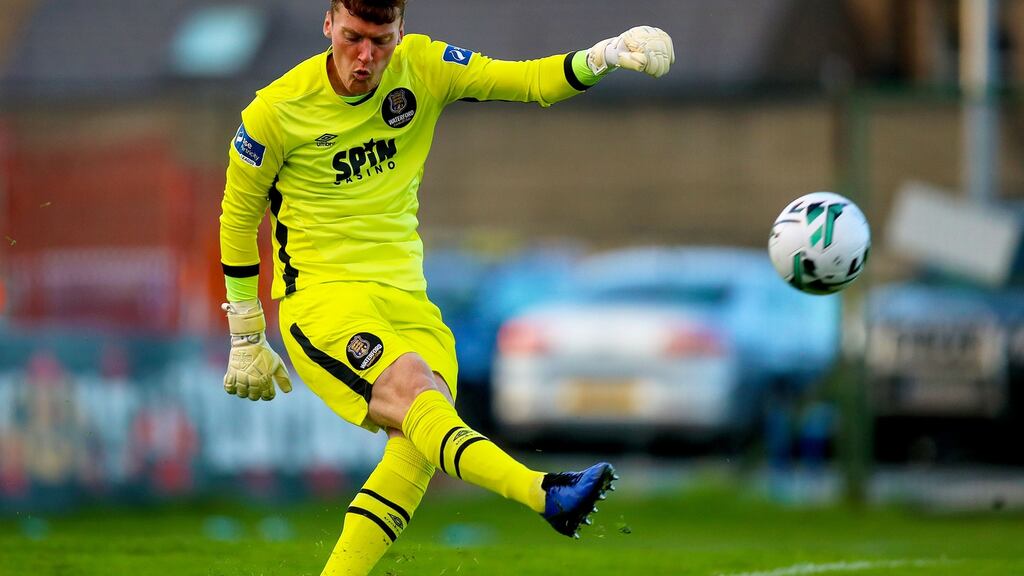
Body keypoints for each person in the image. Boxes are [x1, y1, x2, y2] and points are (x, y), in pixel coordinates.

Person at [218, 1, 674, 574]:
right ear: (328, 25)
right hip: (323, 303)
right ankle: (545, 493)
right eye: (353, 37)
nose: (365, 57)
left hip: (409, 303)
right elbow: (237, 217)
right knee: (415, 395)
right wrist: (245, 331)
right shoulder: (274, 111)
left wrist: (604, 55)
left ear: (400, 31)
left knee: (417, 444)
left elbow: (528, 80)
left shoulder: (426, 67)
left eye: (380, 41)